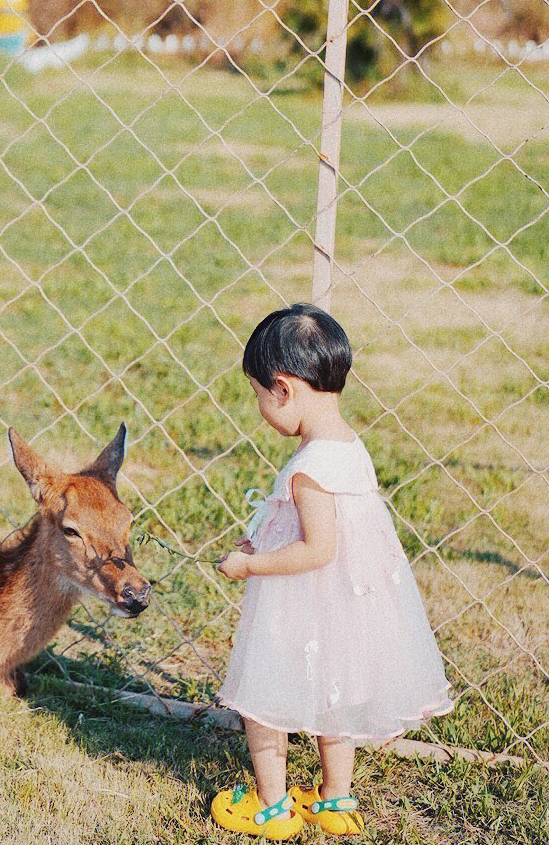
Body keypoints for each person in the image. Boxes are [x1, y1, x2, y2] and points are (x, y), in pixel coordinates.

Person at [209, 304, 452, 839]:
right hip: (346, 605)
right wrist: (264, 534)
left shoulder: (310, 469)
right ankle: (335, 800)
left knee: (264, 698)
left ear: (283, 389)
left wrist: (250, 563)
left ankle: (271, 807)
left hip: (304, 603)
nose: (259, 408)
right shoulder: (350, 448)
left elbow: (316, 550)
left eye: (256, 396)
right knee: (335, 697)